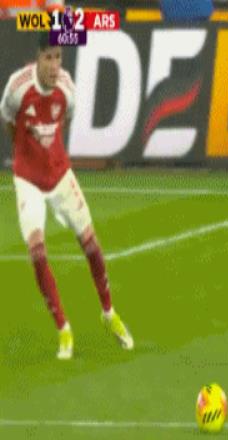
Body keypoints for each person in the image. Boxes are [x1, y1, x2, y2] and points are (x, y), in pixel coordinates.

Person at [0, 33, 133, 360]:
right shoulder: (17, 87)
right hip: (28, 179)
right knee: (37, 252)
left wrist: (50, 153)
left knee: (91, 245)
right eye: (49, 58)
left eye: (59, 57)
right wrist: (25, 151)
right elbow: (7, 119)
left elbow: (65, 120)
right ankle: (64, 329)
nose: (54, 65)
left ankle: (108, 313)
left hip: (60, 175)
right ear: (37, 58)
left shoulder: (67, 89)